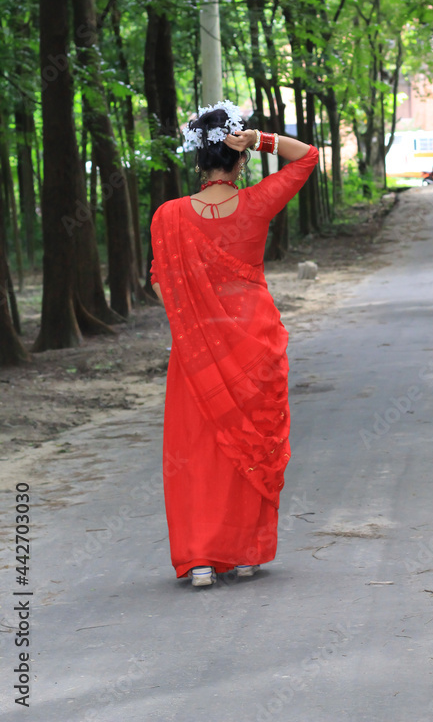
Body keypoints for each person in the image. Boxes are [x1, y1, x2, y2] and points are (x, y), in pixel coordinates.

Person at [150, 100, 318, 587]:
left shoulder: (169, 217)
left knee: (199, 450)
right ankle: (246, 554)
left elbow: (161, 284)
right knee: (250, 448)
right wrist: (261, 139)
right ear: (238, 158)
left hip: (198, 349)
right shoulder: (258, 202)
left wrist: (194, 327)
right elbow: (307, 156)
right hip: (254, 343)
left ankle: (201, 559)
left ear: (197, 160)